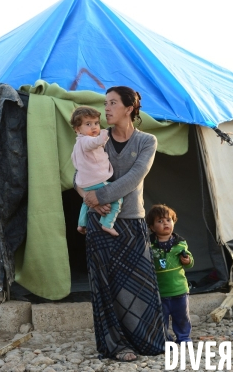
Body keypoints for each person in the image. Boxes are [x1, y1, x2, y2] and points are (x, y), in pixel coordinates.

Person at [75, 86, 166, 362]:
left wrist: (99, 195)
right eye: (105, 103)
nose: (106, 109)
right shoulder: (95, 138)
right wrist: (89, 200)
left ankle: (147, 339)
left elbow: (134, 177)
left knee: (142, 285)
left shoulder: (146, 141)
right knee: (105, 287)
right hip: (99, 221)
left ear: (129, 108)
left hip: (132, 222)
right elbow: (78, 174)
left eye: (112, 103)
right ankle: (116, 345)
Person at [146, 204, 194, 344]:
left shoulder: (180, 244)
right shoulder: (149, 244)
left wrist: (187, 260)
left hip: (179, 288)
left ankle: (184, 337)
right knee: (162, 317)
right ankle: (165, 339)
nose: (165, 223)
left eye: (168, 220)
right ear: (152, 227)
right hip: (160, 291)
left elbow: (190, 263)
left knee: (182, 316)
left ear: (173, 222)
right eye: (160, 221)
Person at [70, 106, 121, 237]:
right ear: (77, 129)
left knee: (86, 202)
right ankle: (107, 224)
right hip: (97, 180)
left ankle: (81, 224)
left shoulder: (77, 145)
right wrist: (103, 135)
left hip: (85, 183)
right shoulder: (87, 140)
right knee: (118, 197)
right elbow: (95, 142)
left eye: (96, 123)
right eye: (88, 124)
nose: (94, 127)